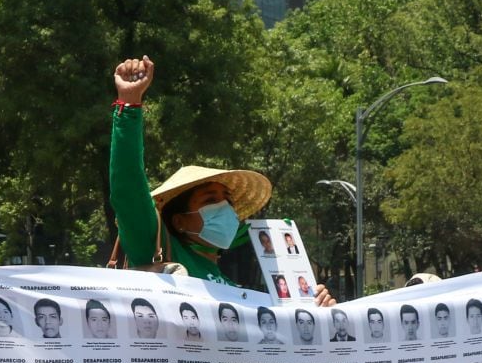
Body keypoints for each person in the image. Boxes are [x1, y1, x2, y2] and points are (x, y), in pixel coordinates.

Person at [109, 56, 332, 299]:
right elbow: (127, 187)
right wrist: (129, 104)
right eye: (210, 198)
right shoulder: (152, 246)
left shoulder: (232, 288)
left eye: (228, 200)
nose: (225, 207)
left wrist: (319, 312)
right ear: (179, 221)